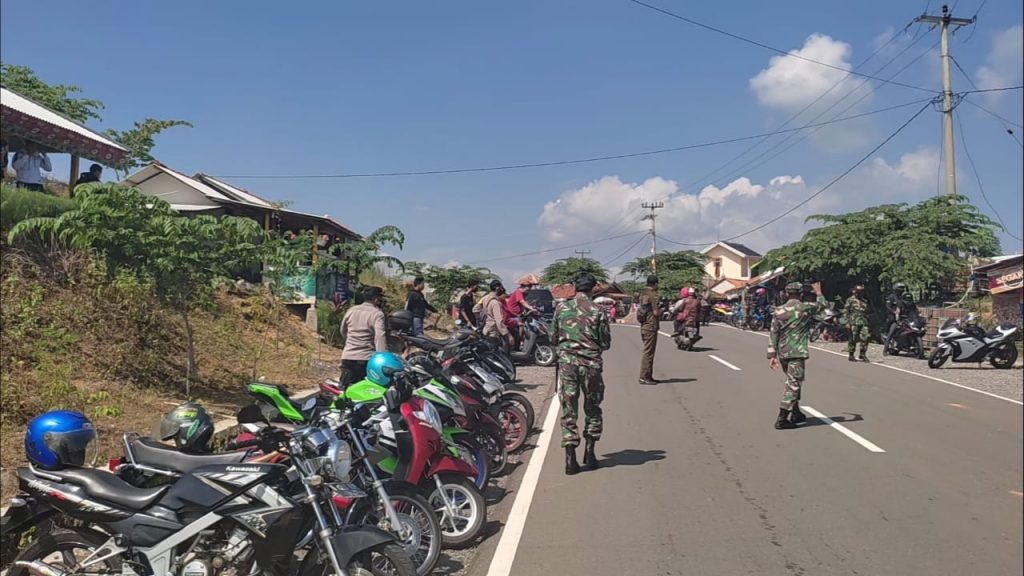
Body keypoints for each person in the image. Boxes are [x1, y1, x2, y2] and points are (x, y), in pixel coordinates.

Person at [551, 273, 611, 475]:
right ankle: (590, 452)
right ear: (593, 289)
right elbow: (605, 343)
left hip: (567, 365)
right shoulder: (599, 311)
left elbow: (553, 337)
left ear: (574, 288)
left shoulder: (561, 308)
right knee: (593, 407)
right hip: (591, 366)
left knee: (569, 409)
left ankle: (570, 459)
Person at [767, 281, 826, 430]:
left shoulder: (779, 311)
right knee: (794, 384)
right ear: (800, 294)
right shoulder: (805, 308)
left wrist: (772, 355)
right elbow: (822, 306)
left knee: (793, 381)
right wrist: (818, 293)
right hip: (797, 352)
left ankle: (796, 412)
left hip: (783, 352)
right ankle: (781, 419)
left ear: (786, 293)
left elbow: (773, 333)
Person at [339, 286, 388, 387]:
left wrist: (349, 344)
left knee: (345, 389)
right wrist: (383, 358)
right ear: (376, 299)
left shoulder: (351, 310)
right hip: (366, 359)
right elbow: (380, 337)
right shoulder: (377, 314)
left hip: (348, 356)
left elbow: (343, 330)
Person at [637, 275, 660, 385]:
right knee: (648, 353)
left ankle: (648, 376)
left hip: (644, 325)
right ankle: (644, 376)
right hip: (651, 326)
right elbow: (655, 312)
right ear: (655, 284)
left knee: (648, 351)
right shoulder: (652, 295)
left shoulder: (643, 294)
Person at [504, 275, 539, 347]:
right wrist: (530, 308)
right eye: (529, 287)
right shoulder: (518, 292)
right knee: (522, 325)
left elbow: (524, 303)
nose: (530, 289)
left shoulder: (522, 294)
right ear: (524, 286)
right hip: (512, 316)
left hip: (517, 315)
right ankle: (519, 342)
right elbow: (522, 302)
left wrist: (531, 307)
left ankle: (520, 341)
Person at [481, 280, 513, 352]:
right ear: (497, 288)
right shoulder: (495, 303)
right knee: (494, 353)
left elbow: (475, 309)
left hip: (486, 330)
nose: (502, 289)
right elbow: (499, 322)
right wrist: (508, 336)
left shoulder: (485, 298)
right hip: (493, 333)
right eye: (501, 287)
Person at [846, 283, 871, 362]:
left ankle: (862, 354)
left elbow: (867, 311)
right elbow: (846, 311)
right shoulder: (850, 300)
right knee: (853, 338)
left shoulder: (865, 301)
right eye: (859, 291)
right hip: (853, 322)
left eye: (861, 291)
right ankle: (851, 354)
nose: (860, 293)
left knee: (865, 337)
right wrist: (847, 322)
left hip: (864, 322)